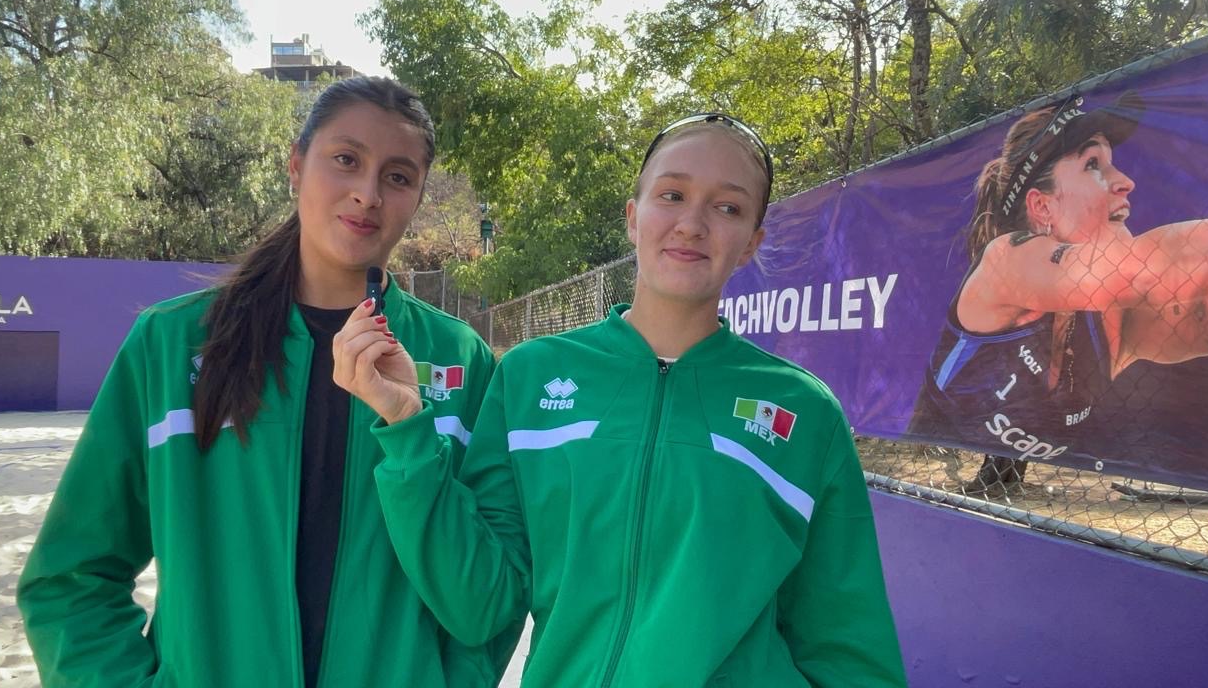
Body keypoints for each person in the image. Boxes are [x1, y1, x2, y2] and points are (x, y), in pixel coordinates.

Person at [335, 113, 907, 686]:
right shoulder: (530, 377)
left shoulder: (805, 412)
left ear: (750, 245)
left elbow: (848, 651)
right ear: (634, 218)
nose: (691, 224)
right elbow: (479, 604)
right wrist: (408, 428)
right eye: (672, 195)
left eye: (728, 207)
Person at [17, 77, 513, 687]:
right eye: (346, 160)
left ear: (416, 198)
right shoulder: (170, 345)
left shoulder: (461, 361)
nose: (368, 194)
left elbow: (486, 611)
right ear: (296, 167)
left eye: (398, 176)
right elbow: (70, 580)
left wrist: (410, 434)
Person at [906, 92, 1208, 495]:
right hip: (927, 478)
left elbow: (1207, 297)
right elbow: (1140, 271)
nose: (1125, 182)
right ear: (1042, 207)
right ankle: (996, 479)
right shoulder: (1005, 261)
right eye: (1093, 164)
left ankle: (1005, 479)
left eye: (1111, 163)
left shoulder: (1110, 326)